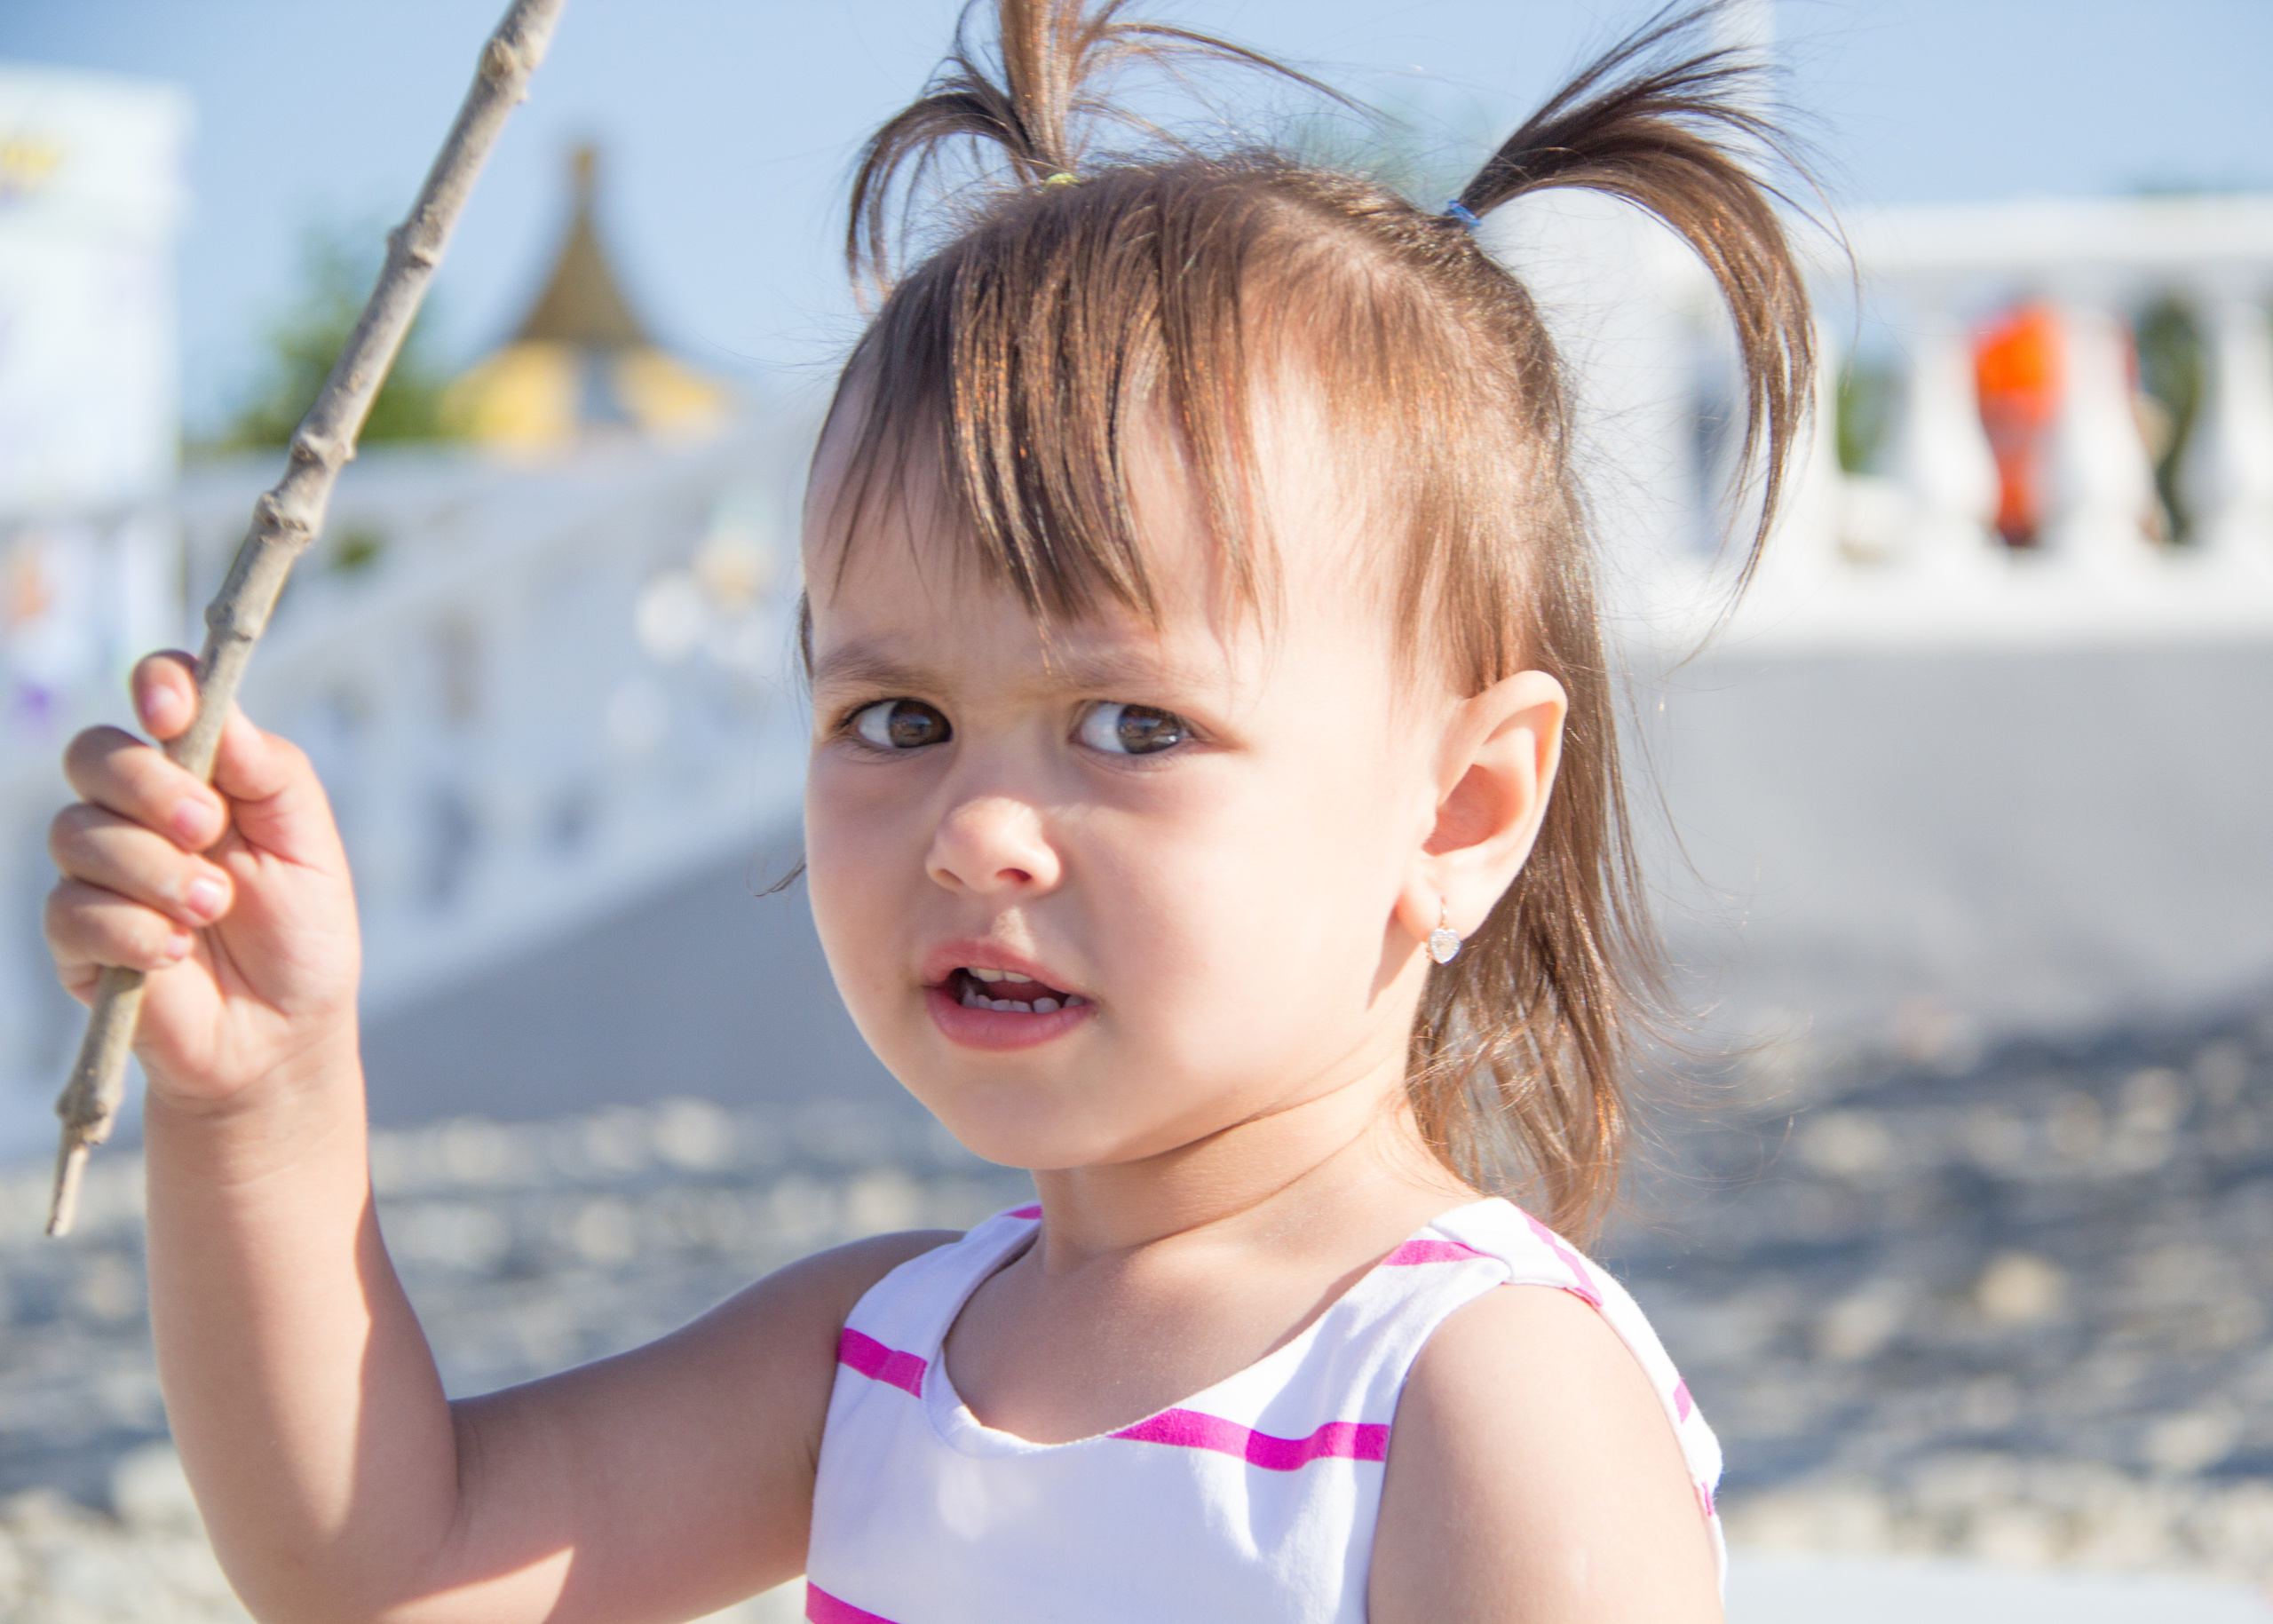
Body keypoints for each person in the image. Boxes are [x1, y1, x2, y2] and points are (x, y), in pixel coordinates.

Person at [42, 3, 1814, 1619]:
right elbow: (388, 1568)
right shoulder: (878, 1356)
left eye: (1130, 724)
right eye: (896, 716)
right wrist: (262, 1097)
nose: (975, 831)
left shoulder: (1464, 1389)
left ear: (1458, 811)